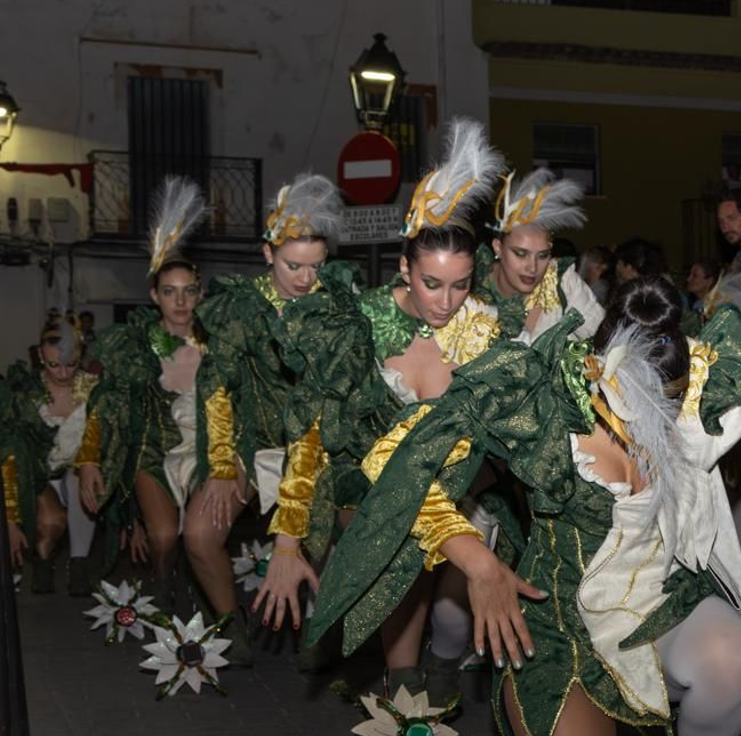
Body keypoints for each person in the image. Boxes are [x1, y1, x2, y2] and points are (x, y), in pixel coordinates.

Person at [304, 277, 741, 736]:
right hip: (556, 630)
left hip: (660, 605)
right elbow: (396, 456)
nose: (663, 417)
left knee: (735, 660)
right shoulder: (539, 393)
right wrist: (478, 560)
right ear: (603, 368)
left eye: (673, 404)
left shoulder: (705, 376)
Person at [254, 118, 507, 698]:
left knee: (450, 603)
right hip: (369, 487)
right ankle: (405, 684)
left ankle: (430, 673)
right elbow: (312, 433)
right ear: (402, 268)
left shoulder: (484, 330)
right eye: (432, 283)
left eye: (461, 285)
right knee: (404, 553)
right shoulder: (357, 326)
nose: (447, 302)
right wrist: (287, 542)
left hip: (458, 491)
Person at [185, 173, 343, 663]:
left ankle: (319, 625)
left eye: (315, 267)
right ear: (267, 254)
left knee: (332, 532)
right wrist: (220, 464)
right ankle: (233, 623)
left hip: (321, 442)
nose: (305, 279)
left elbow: (328, 405)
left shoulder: (335, 308)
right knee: (198, 533)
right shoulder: (240, 308)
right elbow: (215, 387)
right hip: (253, 442)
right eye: (294, 265)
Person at [75, 177, 217, 623]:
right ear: (154, 295)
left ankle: (199, 588)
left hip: (205, 454)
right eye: (169, 291)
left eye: (188, 290)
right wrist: (89, 461)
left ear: (201, 293)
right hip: (150, 452)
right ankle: (163, 581)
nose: (180, 301)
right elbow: (104, 404)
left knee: (198, 534)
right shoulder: (131, 346)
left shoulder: (218, 346)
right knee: (163, 536)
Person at [3, 317, 100, 595]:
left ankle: (79, 564)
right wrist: (9, 518)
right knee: (51, 522)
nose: (62, 373)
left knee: (81, 479)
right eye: (53, 365)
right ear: (40, 357)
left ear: (80, 355)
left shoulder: (94, 388)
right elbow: (10, 454)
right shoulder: (26, 392)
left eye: (70, 364)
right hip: (35, 473)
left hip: (79, 470)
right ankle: (43, 560)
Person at [480, 168, 603, 340]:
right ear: (498, 247)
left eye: (542, 255)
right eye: (521, 254)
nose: (533, 267)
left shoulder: (563, 283)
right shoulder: (469, 289)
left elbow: (605, 340)